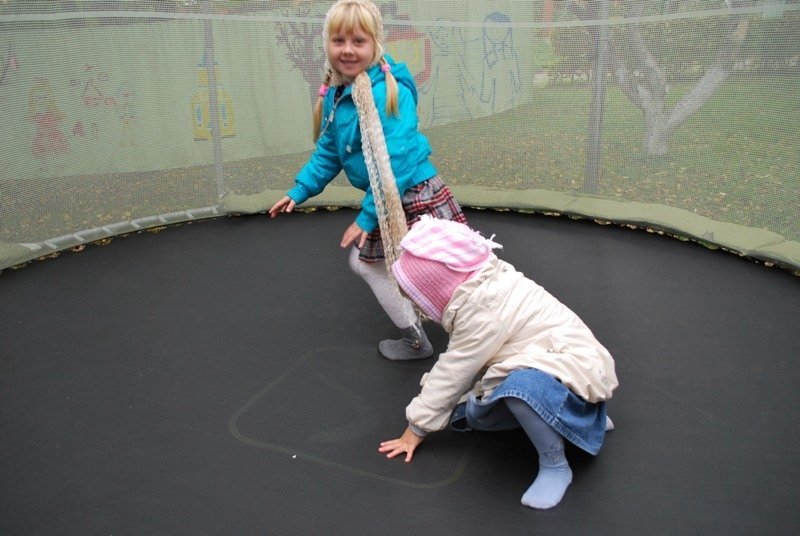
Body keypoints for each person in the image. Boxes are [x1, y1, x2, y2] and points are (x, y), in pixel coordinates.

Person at [269, 0, 467, 361]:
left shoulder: (387, 91)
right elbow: (329, 152)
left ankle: (466, 329)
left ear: (375, 43)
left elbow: (396, 161)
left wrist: (367, 218)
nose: (347, 50)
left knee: (438, 265)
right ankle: (428, 334)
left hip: (410, 192)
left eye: (358, 41)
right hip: (388, 195)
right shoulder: (338, 93)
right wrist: (300, 189)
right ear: (327, 44)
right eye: (339, 40)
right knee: (380, 264)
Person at [378, 216, 619, 509]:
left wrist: (415, 429)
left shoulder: (483, 309)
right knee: (480, 408)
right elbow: (466, 356)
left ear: (438, 288)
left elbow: (455, 369)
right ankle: (582, 418)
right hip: (575, 370)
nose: (419, 306)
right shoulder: (486, 283)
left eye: (418, 298)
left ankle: (556, 465)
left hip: (569, 371)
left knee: (508, 397)